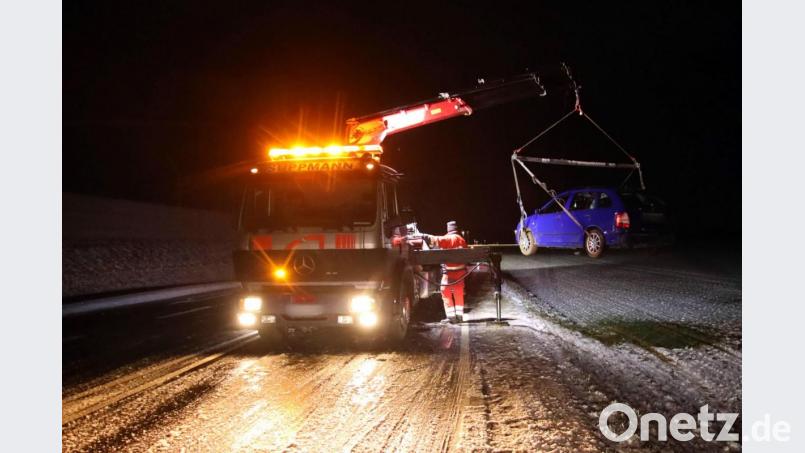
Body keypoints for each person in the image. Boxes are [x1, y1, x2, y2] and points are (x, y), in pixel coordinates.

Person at [424, 221, 468, 323]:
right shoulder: (462, 239)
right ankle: (459, 316)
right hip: (461, 273)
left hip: (449, 273)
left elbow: (435, 240)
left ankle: (451, 318)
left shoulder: (447, 238)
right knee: (458, 292)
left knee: (445, 291)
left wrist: (425, 236)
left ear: (448, 229)